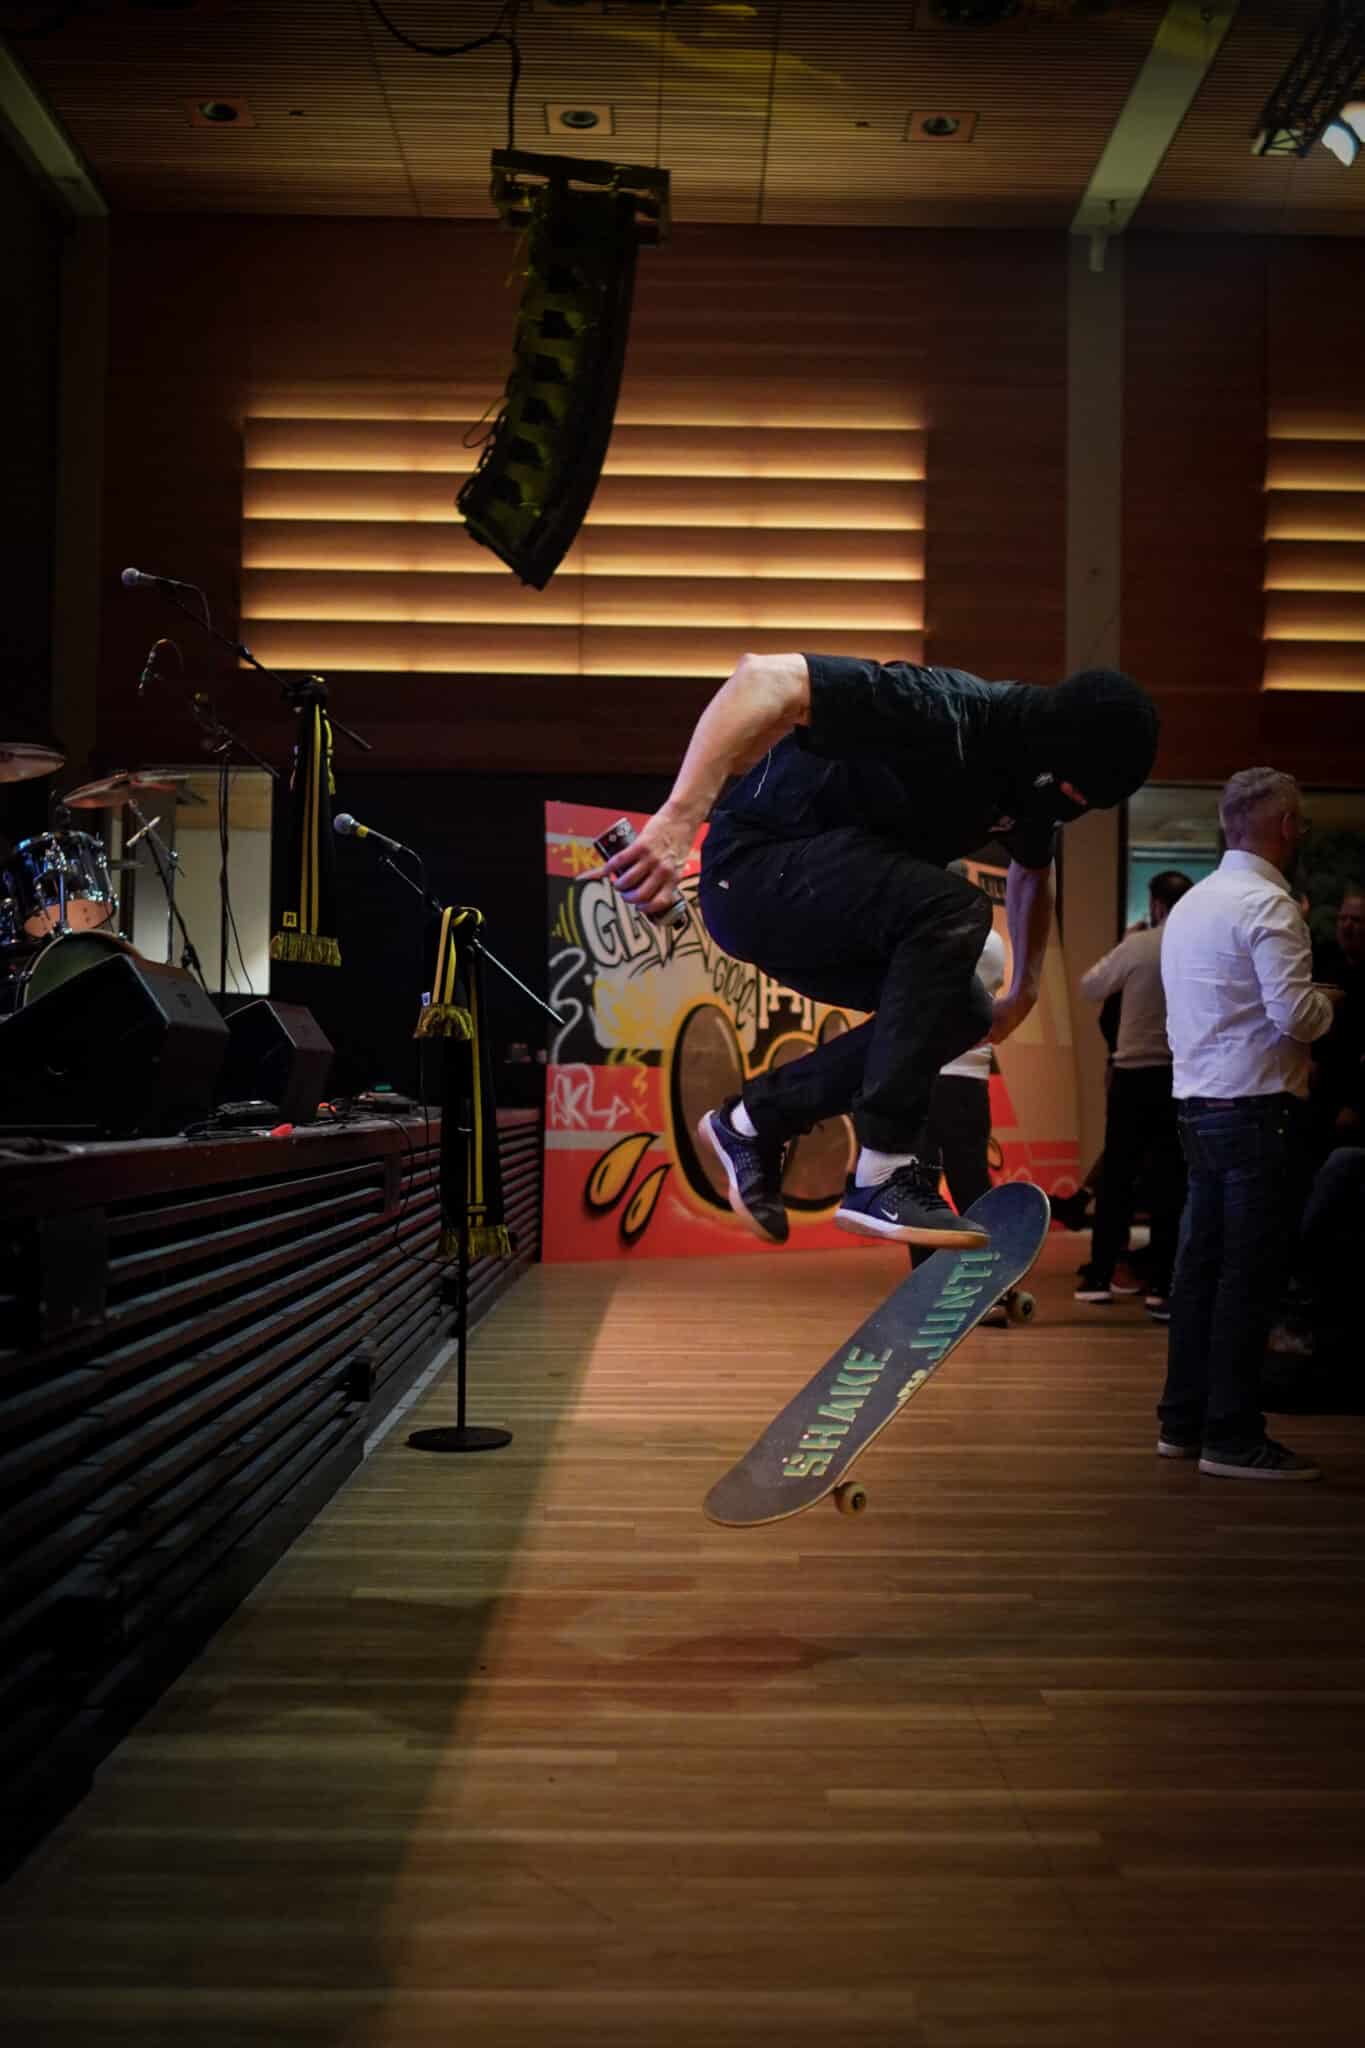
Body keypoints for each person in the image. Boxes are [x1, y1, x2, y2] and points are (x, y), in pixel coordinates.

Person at [592, 650, 1159, 1247]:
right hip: (753, 873)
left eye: (1086, 802)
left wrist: (1024, 990)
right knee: (955, 907)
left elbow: (1032, 873)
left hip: (825, 911)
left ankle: (754, 1121)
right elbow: (763, 677)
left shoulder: (1038, 790)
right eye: (1071, 788)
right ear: (1050, 742)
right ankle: (883, 1170)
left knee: (962, 1011)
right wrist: (679, 819)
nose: (1072, 802)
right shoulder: (946, 708)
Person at [1156, 767, 1337, 1481]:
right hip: (1258, 1112)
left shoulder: (1192, 905)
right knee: (1247, 1279)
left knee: (1199, 1272)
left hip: (1196, 1108)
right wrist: (1329, 1004)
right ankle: (1231, 1435)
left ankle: (1182, 1421)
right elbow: (1295, 1016)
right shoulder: (1269, 905)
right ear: (1287, 826)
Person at [1073, 869, 1193, 1317]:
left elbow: (1090, 986)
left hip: (1130, 1074)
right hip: (1178, 1076)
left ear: (1156, 904)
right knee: (1169, 1181)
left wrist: (1126, 942)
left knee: (1118, 1178)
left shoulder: (1139, 945)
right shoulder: (1197, 947)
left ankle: (1099, 1277)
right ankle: (1162, 1285)